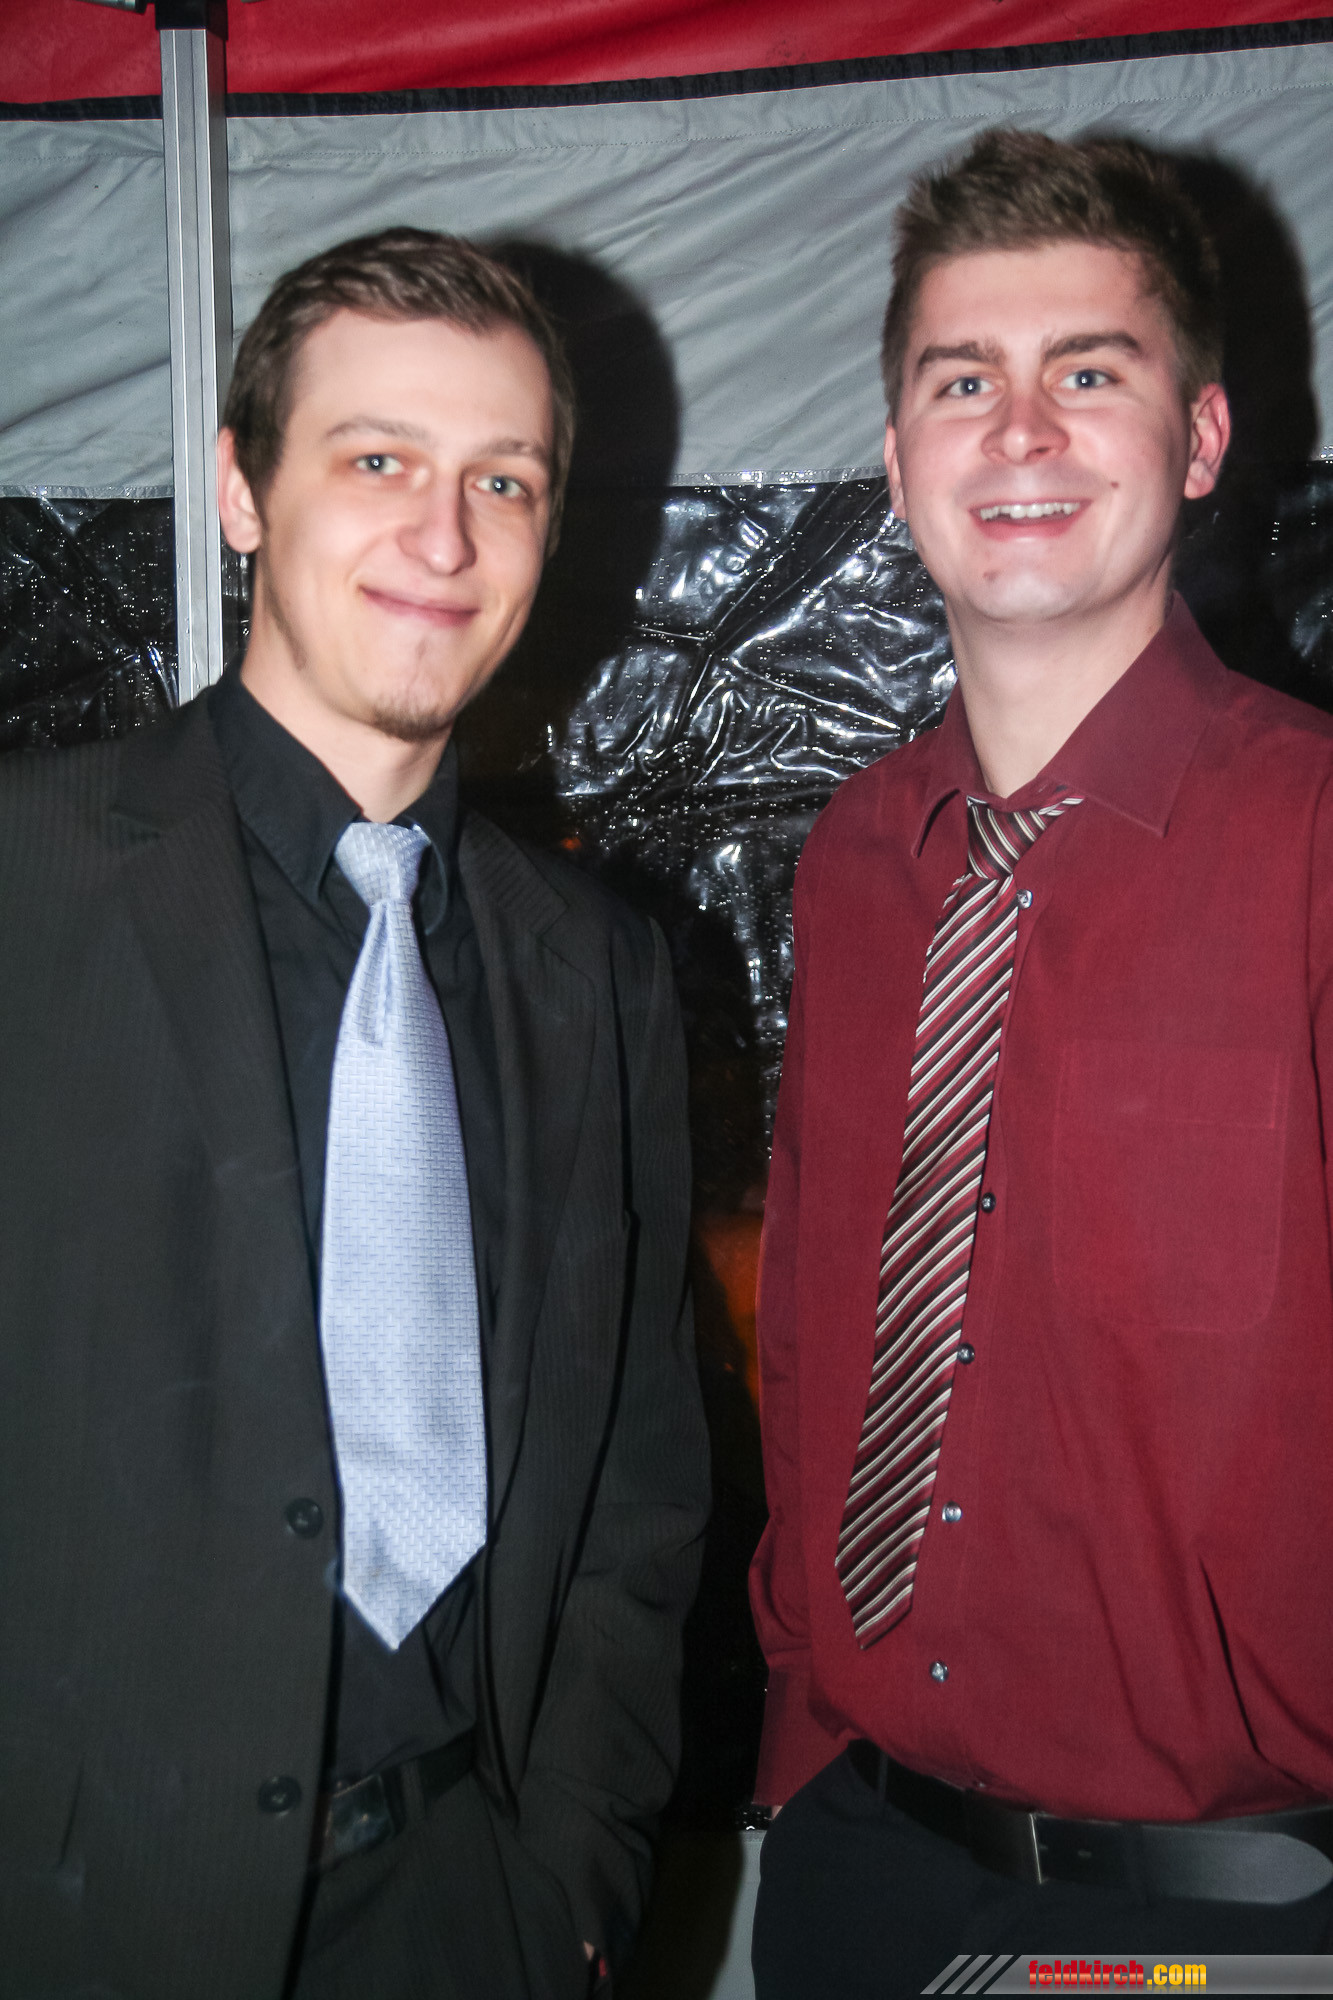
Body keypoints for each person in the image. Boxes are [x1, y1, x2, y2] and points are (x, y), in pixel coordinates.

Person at [0, 227, 708, 2000]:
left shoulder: (594, 968)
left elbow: (636, 1484)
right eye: (378, 459)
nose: (443, 537)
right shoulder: (28, 888)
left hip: (473, 1910)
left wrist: (574, 1882)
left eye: (503, 480)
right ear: (242, 491)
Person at [749, 130, 1333, 1996]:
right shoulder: (854, 862)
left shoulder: (1314, 841)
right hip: (859, 1869)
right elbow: (817, 1333)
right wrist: (798, 1739)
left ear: (1201, 438)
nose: (1016, 430)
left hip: (1219, 1919)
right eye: (959, 382)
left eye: (1087, 372)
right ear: (896, 453)